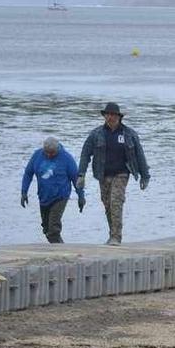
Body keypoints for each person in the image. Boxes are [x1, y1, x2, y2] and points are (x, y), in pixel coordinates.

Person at [76, 102, 150, 245]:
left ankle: (116, 237)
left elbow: (139, 154)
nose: (110, 117)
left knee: (116, 202)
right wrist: (81, 174)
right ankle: (112, 234)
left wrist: (145, 175)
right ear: (104, 116)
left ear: (118, 117)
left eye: (112, 115)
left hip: (122, 174)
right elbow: (85, 154)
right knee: (108, 205)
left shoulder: (129, 134)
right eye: (107, 114)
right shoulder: (96, 134)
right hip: (102, 174)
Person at [20, 136, 85, 244]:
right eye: (47, 153)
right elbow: (28, 173)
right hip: (43, 196)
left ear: (58, 149)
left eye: (52, 153)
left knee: (53, 229)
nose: (50, 155)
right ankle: (61, 248)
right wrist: (24, 192)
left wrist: (81, 196)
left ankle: (61, 253)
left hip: (60, 196)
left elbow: (76, 178)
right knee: (46, 230)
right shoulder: (37, 155)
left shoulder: (66, 158)